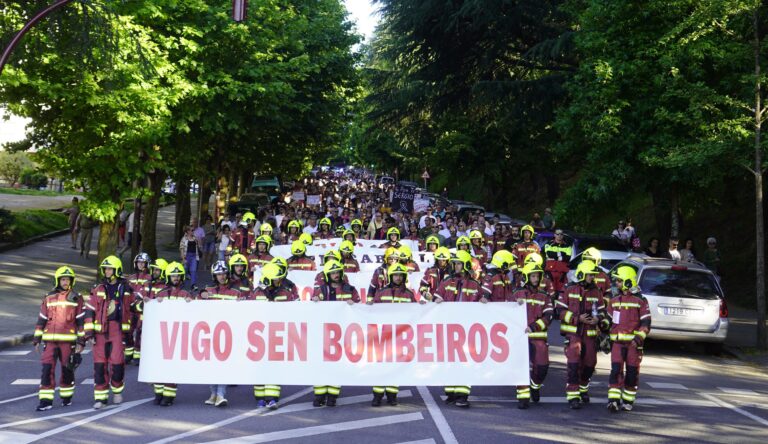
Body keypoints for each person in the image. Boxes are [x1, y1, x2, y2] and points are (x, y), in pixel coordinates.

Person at [366, 263, 425, 406]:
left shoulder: (409, 294)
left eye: (400, 275)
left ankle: (392, 395)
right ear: (391, 276)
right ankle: (377, 396)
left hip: (400, 337)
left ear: (404, 277)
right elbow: (373, 313)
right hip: (383, 335)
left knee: (396, 365)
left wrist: (422, 307)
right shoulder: (381, 292)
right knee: (380, 365)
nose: (398, 278)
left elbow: (414, 313)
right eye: (396, 275)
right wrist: (369, 306)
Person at [83, 256, 136, 409]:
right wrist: (89, 333)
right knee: (99, 366)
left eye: (109, 269)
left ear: (117, 270)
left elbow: (134, 306)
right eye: (105, 268)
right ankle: (101, 397)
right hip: (100, 332)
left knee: (117, 363)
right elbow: (89, 311)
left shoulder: (126, 288)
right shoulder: (98, 288)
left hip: (117, 331)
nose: (106, 271)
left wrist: (149, 304)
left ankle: (117, 390)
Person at [433, 250, 483, 408]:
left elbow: (482, 303)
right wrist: (432, 300)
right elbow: (438, 297)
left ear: (466, 265)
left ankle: (462, 395)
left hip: (467, 330)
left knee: (465, 361)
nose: (456, 266)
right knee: (449, 361)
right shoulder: (447, 281)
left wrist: (484, 302)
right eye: (455, 263)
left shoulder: (475, 285)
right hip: (449, 328)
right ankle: (451, 393)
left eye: (459, 263)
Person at [33, 266, 85, 411]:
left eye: (68, 279)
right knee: (46, 370)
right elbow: (42, 319)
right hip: (50, 342)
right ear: (58, 280)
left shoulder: (76, 298)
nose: (65, 282)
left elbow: (81, 321)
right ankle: (45, 400)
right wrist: (37, 339)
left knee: (67, 370)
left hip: (68, 343)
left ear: (71, 281)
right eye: (63, 279)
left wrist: (81, 341)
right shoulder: (48, 297)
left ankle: (66, 397)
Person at [248, 262, 299, 409]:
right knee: (259, 367)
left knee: (275, 366)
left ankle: (272, 398)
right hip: (259, 335)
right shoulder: (257, 292)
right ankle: (260, 398)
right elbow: (249, 310)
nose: (279, 281)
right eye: (276, 279)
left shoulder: (286, 291)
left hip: (278, 334)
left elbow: (298, 309)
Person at [557, 260, 605, 409]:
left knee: (590, 364)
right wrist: (577, 319)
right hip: (573, 334)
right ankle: (573, 396)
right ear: (582, 274)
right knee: (573, 364)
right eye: (590, 275)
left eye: (593, 275)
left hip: (590, 334)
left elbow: (603, 310)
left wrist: (599, 318)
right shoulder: (569, 289)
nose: (593, 277)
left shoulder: (596, 291)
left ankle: (583, 387)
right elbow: (559, 311)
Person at [311, 260, 359, 407]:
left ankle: (332, 395)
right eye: (332, 272)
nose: (336, 275)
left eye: (337, 272)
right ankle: (319, 395)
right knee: (320, 365)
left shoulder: (350, 289)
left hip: (342, 334)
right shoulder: (321, 290)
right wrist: (314, 300)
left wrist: (354, 303)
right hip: (323, 333)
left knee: (337, 365)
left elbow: (359, 306)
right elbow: (312, 307)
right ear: (327, 274)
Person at [606, 266, 651, 412]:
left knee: (632, 373)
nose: (617, 283)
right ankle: (613, 400)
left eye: (619, 280)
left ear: (627, 281)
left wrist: (638, 339)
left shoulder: (641, 301)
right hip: (617, 343)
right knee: (615, 371)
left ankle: (628, 400)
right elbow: (608, 320)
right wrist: (602, 327)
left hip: (633, 345)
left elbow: (646, 323)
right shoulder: (614, 300)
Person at [509, 262, 553, 409]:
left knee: (542, 367)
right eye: (533, 276)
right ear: (527, 277)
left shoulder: (544, 296)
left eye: (537, 276)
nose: (536, 278)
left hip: (538, 336)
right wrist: (515, 304)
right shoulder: (517, 293)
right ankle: (523, 397)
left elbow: (549, 317)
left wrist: (533, 327)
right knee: (521, 366)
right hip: (521, 337)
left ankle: (535, 386)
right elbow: (506, 312)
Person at [199, 261, 243, 407]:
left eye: (224, 273)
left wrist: (242, 302)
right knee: (211, 366)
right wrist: (199, 295)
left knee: (223, 365)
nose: (222, 276)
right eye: (219, 274)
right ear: (214, 275)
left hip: (228, 334)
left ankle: (220, 394)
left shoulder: (235, 292)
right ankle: (213, 393)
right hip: (210, 333)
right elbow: (195, 306)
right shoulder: (208, 290)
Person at [152, 262, 194, 406]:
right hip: (162, 335)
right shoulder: (161, 294)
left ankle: (169, 396)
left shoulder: (186, 294)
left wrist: (191, 303)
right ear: (168, 277)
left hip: (178, 336)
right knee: (159, 366)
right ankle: (158, 393)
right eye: (173, 275)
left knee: (172, 368)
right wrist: (152, 303)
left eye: (178, 275)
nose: (176, 278)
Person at [132, 258, 168, 365]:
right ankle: (138, 356)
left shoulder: (167, 288)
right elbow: (136, 302)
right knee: (139, 335)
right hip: (144, 320)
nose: (155, 272)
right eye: (154, 269)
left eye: (157, 270)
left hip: (160, 322)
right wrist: (142, 304)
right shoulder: (148, 285)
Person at [124, 253, 151, 364]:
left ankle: (138, 354)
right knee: (128, 331)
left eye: (142, 263)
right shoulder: (130, 277)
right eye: (138, 262)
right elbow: (126, 292)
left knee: (140, 331)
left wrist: (136, 295)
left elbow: (145, 292)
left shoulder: (149, 278)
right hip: (130, 309)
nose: (140, 265)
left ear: (147, 264)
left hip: (142, 310)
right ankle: (129, 353)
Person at [543, 229, 572, 295]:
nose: (559, 236)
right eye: (557, 234)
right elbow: (549, 254)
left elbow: (567, 258)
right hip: (550, 272)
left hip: (562, 274)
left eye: (561, 234)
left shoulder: (567, 246)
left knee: (562, 293)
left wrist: (555, 256)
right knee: (550, 292)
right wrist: (561, 254)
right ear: (554, 235)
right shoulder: (549, 244)